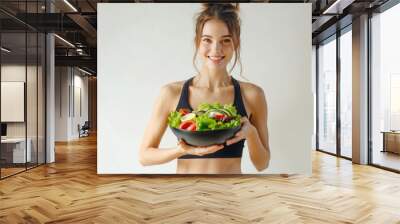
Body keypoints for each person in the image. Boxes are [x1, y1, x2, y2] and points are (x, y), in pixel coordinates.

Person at [139, 3, 270, 174]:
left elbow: (262, 164)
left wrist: (251, 133)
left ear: (235, 44)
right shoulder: (171, 93)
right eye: (207, 40)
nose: (216, 49)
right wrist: (182, 150)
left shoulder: (253, 95)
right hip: (185, 195)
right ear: (197, 42)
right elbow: (144, 156)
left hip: (230, 196)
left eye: (226, 40)